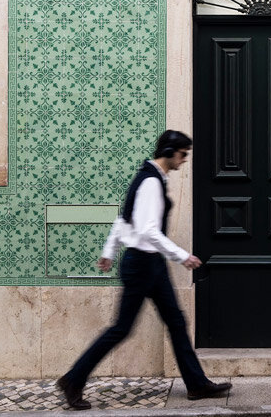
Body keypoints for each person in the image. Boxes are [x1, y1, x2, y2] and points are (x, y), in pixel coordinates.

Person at [57, 130, 232, 410]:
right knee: (121, 329)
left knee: (175, 322)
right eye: (183, 154)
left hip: (150, 265)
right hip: (142, 265)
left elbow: (123, 219)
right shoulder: (150, 182)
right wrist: (181, 255)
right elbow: (147, 230)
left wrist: (109, 252)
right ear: (170, 152)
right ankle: (73, 379)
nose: (184, 160)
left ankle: (197, 384)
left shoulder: (149, 177)